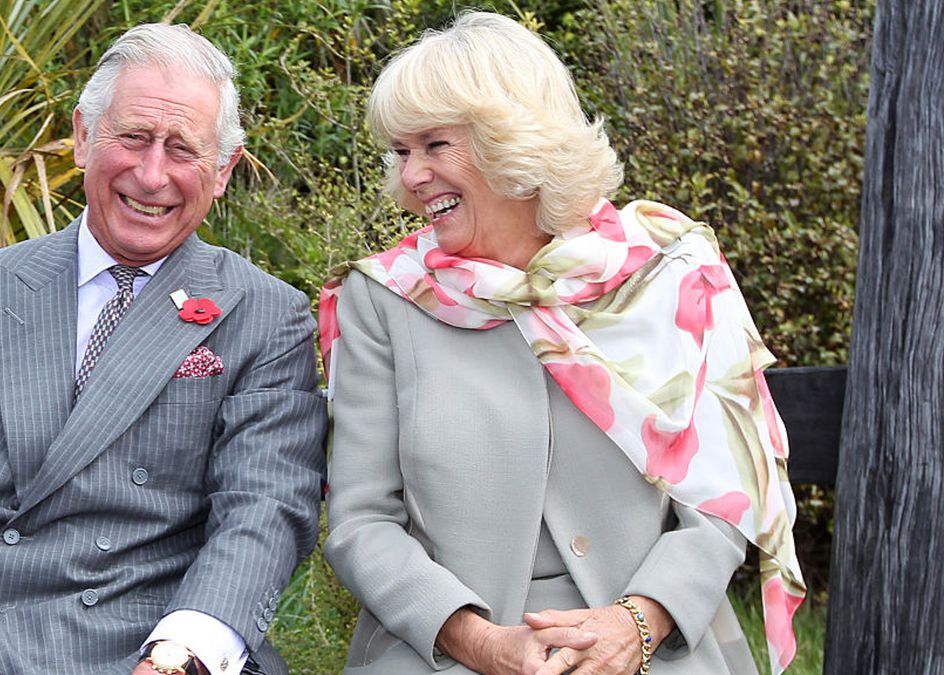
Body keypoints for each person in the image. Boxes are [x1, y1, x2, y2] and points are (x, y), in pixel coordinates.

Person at [0, 23, 327, 675]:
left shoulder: (264, 314)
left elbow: (265, 511)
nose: (152, 175)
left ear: (223, 169)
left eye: (182, 149)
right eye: (135, 137)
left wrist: (184, 652)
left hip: (165, 643)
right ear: (85, 136)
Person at [319, 12, 804, 675]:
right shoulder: (382, 298)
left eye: (434, 145)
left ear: (509, 141)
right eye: (401, 152)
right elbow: (360, 520)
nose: (410, 178)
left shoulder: (667, 271)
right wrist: (480, 642)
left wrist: (639, 620)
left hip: (654, 643)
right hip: (441, 651)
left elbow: (726, 494)